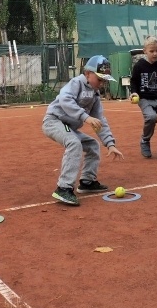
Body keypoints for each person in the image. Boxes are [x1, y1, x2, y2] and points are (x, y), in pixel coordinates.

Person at [44, 55, 124, 206]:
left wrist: (110, 143)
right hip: (54, 121)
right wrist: (85, 117)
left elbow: (100, 120)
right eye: (99, 79)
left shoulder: (94, 94)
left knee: (92, 145)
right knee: (74, 143)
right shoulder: (76, 83)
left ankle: (87, 182)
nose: (102, 83)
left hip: (69, 127)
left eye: (104, 80)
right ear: (87, 73)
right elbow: (65, 99)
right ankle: (64, 188)